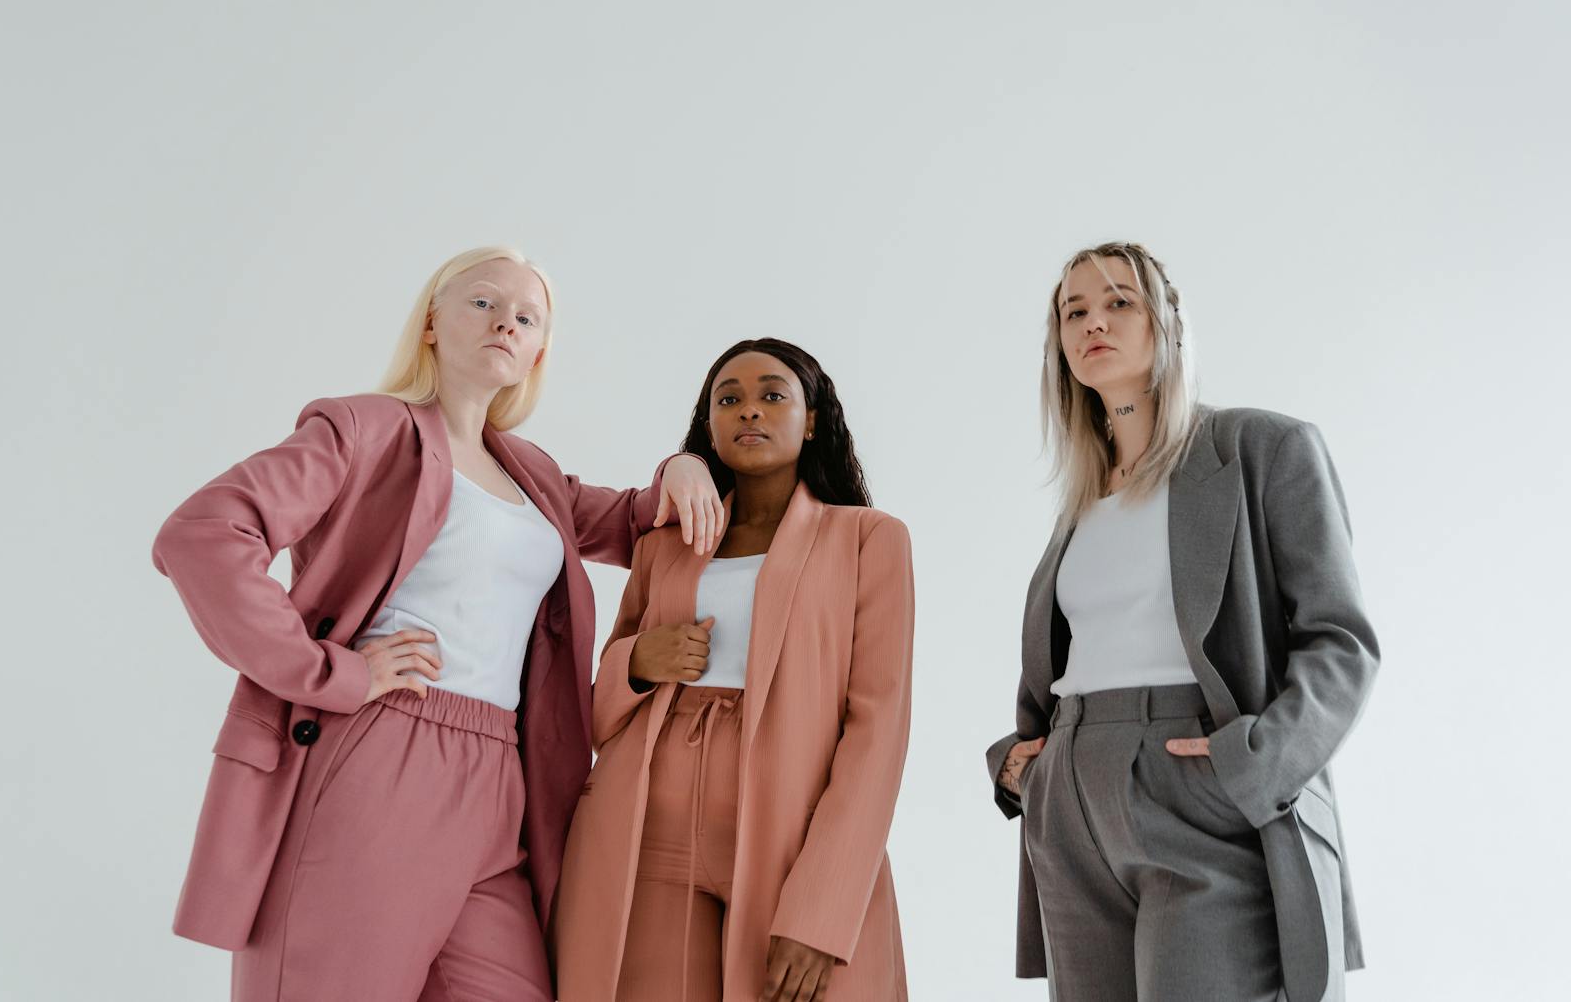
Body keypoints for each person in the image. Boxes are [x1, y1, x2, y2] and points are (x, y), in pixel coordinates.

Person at [152, 245, 724, 1001]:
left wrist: (683, 466)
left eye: (527, 316)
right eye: (483, 302)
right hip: (384, 746)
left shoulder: (533, 474)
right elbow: (204, 533)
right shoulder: (364, 430)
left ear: (537, 353)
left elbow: (633, 518)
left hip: (503, 777)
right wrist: (331, 671)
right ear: (432, 321)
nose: (505, 323)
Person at [985, 242, 1378, 1002]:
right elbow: (1074, 655)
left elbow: (1342, 639)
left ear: (1168, 322)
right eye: (1074, 311)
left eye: (1118, 302)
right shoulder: (1080, 503)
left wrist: (1258, 760)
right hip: (1071, 799)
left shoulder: (1262, 448)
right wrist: (1020, 765)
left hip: (1201, 779)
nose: (1092, 322)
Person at [553, 338, 914, 1002]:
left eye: (772, 394)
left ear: (811, 418)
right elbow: (598, 715)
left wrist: (823, 912)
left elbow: (877, 730)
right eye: (730, 399)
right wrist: (637, 661)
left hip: (789, 832)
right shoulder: (664, 544)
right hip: (646, 835)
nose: (750, 410)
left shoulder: (868, 539)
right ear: (709, 427)